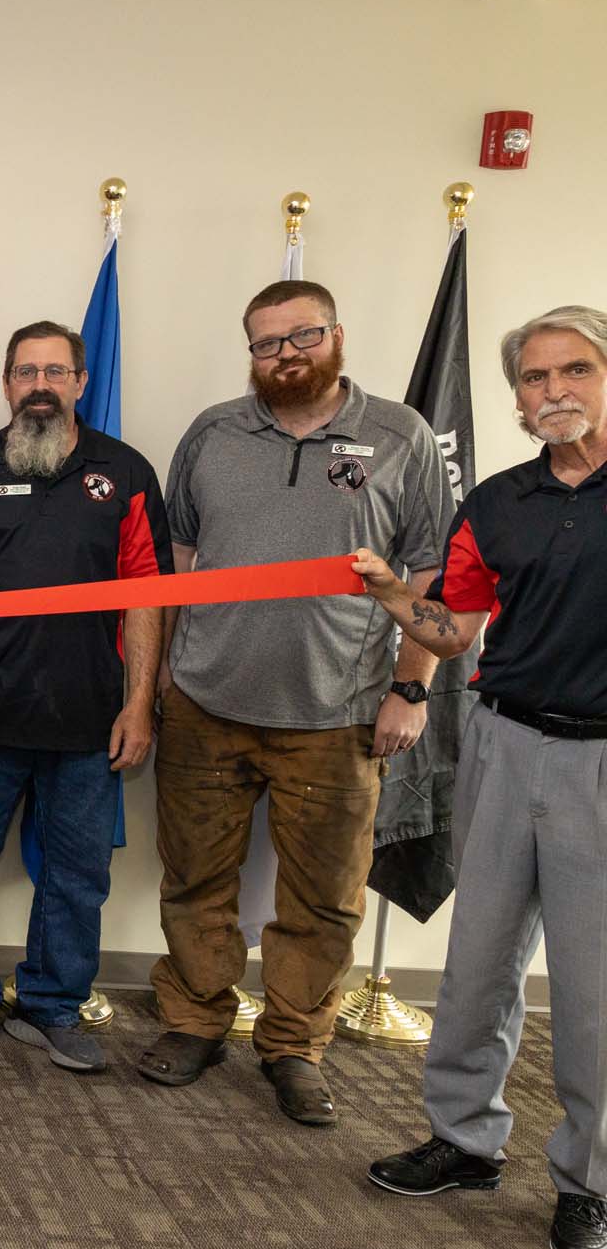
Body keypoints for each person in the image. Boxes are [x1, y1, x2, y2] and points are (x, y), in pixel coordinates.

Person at [140, 280, 448, 1125]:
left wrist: (410, 685)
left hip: (338, 712)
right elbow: (178, 555)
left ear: (336, 335)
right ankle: (196, 1019)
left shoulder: (402, 436)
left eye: (301, 336)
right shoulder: (213, 432)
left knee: (321, 898)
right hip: (207, 700)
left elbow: (430, 573)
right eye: (267, 343)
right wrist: (164, 672)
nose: (286, 355)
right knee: (196, 877)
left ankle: (293, 1045)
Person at [356, 305, 607, 1249]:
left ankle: (590, 1183)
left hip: (600, 761)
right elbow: (454, 627)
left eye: (574, 371)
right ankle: (465, 1140)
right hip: (504, 746)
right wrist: (390, 594)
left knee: (591, 992)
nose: (555, 393)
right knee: (478, 961)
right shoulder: (497, 501)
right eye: (536, 379)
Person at [0, 320, 169, 1074]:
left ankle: (54, 1005)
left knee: (78, 872)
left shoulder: (123, 473)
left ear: (81, 384)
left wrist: (139, 701)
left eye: (56, 371)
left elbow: (149, 595)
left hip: (90, 715)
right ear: (5, 384)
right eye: (26, 371)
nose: (40, 385)